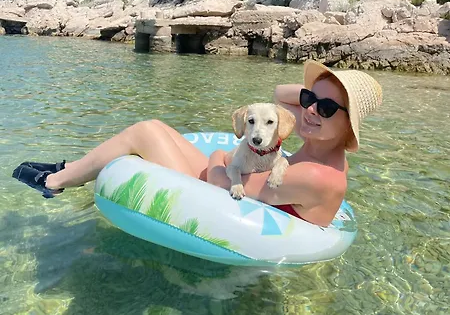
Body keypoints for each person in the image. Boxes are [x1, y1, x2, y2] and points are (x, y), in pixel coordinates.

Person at [12, 60, 382, 227]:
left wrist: (219, 155)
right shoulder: (322, 140)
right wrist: (318, 95)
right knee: (155, 125)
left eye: (326, 107)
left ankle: (54, 182)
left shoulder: (317, 176)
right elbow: (278, 94)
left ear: (348, 126)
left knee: (145, 132)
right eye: (308, 101)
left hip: (225, 200)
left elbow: (223, 180)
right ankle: (68, 170)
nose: (310, 111)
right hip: (233, 184)